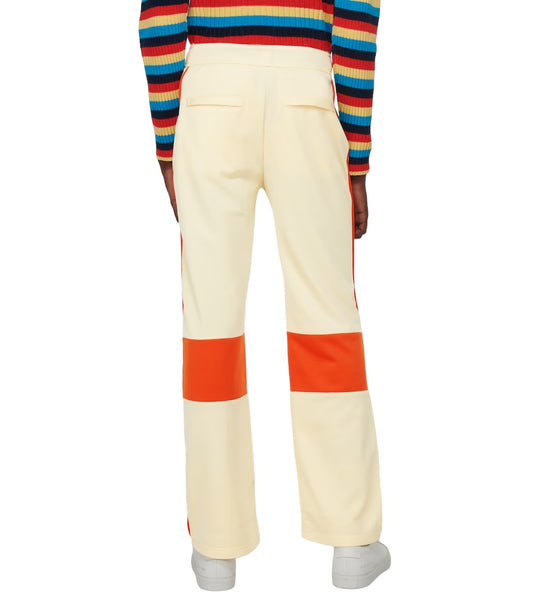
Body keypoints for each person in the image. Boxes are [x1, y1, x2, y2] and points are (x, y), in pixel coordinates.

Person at [138, 0, 391, 591]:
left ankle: (215, 547)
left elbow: (159, 17)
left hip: (211, 97)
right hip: (306, 92)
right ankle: (351, 539)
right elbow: (357, 18)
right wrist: (355, 159)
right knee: (327, 321)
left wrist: (168, 143)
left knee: (210, 329)